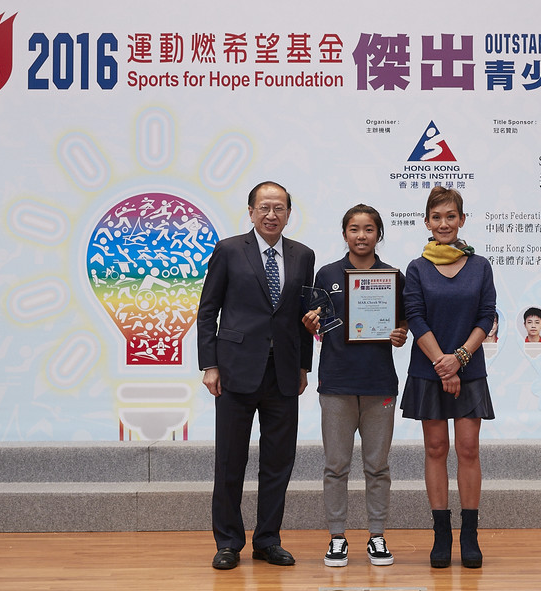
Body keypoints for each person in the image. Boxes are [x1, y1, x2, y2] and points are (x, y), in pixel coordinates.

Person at [197, 181, 315, 570]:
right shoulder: (229, 250)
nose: (271, 214)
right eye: (263, 207)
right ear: (250, 212)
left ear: (288, 213)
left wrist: (303, 366)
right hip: (234, 371)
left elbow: (304, 317)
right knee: (230, 461)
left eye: (278, 208)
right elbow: (207, 310)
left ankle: (267, 540)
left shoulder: (303, 255)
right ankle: (228, 542)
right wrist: (209, 364)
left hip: (283, 373)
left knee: (279, 462)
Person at [301, 204, 408, 568]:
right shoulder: (327, 273)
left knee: (377, 466)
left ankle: (377, 536)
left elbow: (403, 324)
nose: (361, 236)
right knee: (336, 465)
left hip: (380, 384)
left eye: (368, 229)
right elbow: (318, 328)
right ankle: (337, 538)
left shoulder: (393, 276)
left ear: (379, 234)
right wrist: (311, 324)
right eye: (354, 229)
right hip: (336, 384)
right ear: (344, 233)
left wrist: (399, 334)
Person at [401, 187, 496, 570]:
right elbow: (416, 317)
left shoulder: (480, 266)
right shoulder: (417, 267)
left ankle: (469, 534)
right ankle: (442, 534)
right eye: (436, 217)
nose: (444, 223)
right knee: (436, 449)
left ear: (462, 220)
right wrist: (442, 362)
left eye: (451, 216)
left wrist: (459, 359)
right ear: (427, 222)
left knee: (468, 449)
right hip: (428, 368)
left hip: (469, 368)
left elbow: (486, 316)